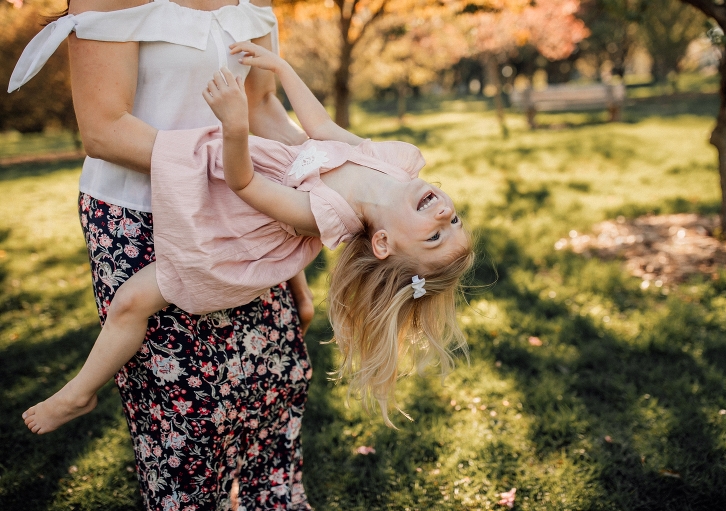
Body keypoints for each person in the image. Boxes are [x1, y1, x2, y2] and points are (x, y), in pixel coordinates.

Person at [22, 41, 474, 437]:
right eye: (454, 221)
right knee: (132, 299)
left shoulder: (329, 215)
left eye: (435, 236)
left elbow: (245, 184)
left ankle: (78, 393)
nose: (445, 215)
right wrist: (281, 67)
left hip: (231, 234)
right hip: (243, 181)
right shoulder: (397, 163)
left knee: (131, 301)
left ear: (383, 245)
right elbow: (321, 128)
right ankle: (298, 299)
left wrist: (235, 127)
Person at [10, 1, 316, 509]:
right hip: (143, 216)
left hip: (242, 205)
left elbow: (261, 104)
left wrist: (325, 168)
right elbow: (105, 129)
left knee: (272, 388)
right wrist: (228, 168)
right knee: (188, 422)